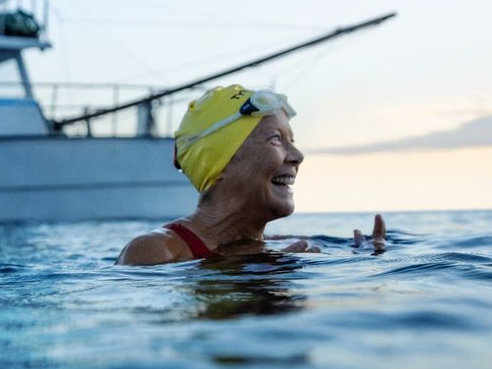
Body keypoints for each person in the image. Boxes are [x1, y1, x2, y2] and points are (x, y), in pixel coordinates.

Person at [117, 84, 386, 265]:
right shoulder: (156, 251)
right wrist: (256, 273)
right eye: (275, 139)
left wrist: (365, 255)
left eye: (292, 140)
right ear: (219, 163)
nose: (298, 156)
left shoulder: (277, 244)